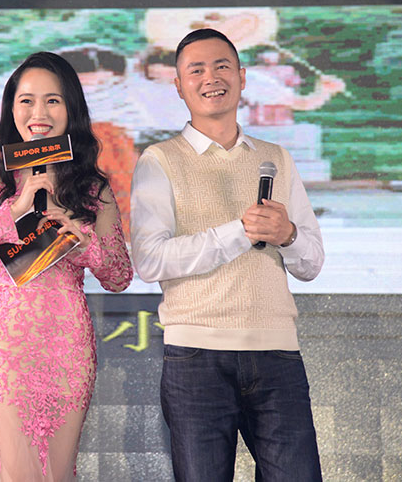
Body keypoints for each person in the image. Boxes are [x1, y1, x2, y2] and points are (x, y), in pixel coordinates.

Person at [130, 29, 325, 481]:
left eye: (222, 66)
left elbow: (312, 262)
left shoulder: (276, 158)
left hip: (276, 351)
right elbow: (150, 260)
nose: (211, 78)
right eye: (196, 70)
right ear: (178, 86)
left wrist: (287, 234)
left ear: (241, 76)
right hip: (196, 355)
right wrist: (240, 232)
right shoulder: (159, 160)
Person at [0, 51, 133, 481]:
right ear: (11, 108)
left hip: (67, 346)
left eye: (52, 101)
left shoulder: (91, 187)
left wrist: (78, 240)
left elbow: (120, 276)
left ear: (71, 109)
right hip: (8, 347)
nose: (38, 113)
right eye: (26, 100)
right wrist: (11, 213)